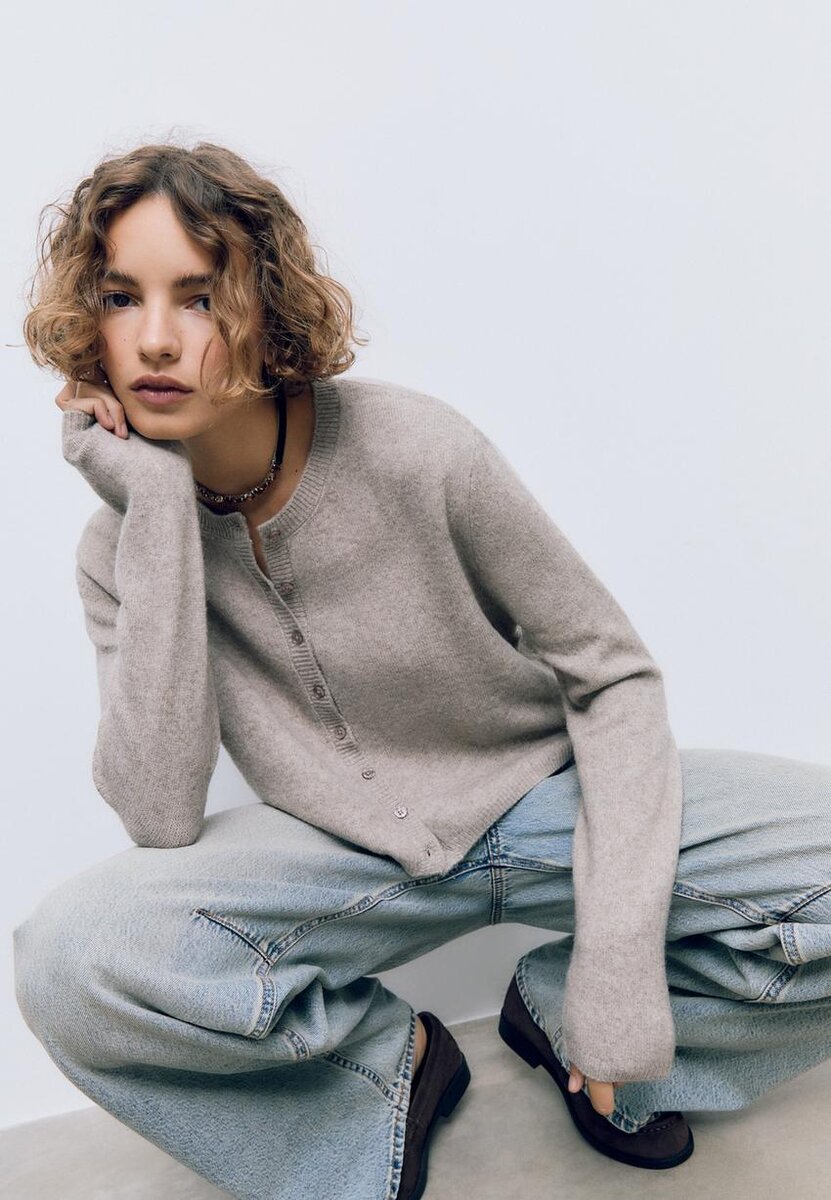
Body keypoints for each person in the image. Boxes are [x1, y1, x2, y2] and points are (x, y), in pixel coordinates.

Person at [13, 140, 831, 1200]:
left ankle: (587, 1040)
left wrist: (617, 966)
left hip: (543, 801)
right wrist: (159, 513)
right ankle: (383, 1083)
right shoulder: (119, 551)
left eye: (201, 297)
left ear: (266, 306)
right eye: (123, 298)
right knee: (69, 962)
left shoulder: (416, 449)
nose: (157, 339)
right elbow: (158, 814)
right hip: (338, 853)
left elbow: (613, 675)